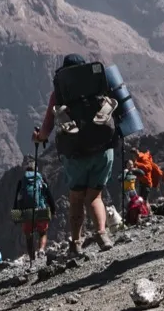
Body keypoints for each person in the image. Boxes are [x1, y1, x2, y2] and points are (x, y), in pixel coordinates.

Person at [36, 54, 118, 258]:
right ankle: (102, 235)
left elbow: (46, 129)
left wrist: (39, 137)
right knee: (95, 196)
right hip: (103, 150)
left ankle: (75, 244)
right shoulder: (99, 86)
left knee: (76, 199)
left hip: (76, 154)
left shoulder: (59, 93)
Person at [12, 154, 55, 264]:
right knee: (43, 233)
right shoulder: (41, 179)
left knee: (28, 236)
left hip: (26, 212)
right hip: (40, 210)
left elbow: (17, 198)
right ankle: (41, 250)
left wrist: (16, 214)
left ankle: (32, 258)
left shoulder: (22, 181)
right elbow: (48, 195)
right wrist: (53, 209)